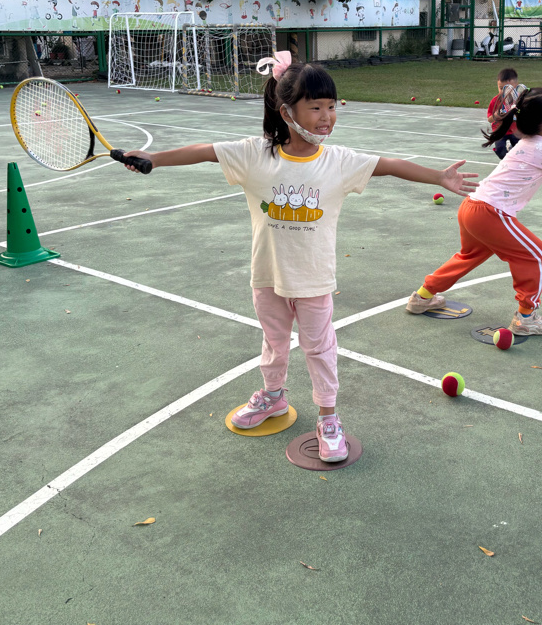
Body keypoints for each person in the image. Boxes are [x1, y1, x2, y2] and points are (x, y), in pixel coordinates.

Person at [118, 53, 477, 462]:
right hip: (267, 276)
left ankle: (328, 418)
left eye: (331, 106)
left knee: (319, 348)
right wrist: (153, 158)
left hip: (313, 279)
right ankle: (272, 396)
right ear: (286, 111)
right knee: (274, 342)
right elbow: (204, 151)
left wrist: (438, 176)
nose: (326, 117)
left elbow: (389, 165)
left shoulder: (338, 162)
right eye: (316, 107)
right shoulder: (255, 155)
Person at [407, 88, 542, 335]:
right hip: (490, 213)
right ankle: (526, 317)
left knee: (469, 256)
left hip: (471, 207)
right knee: (536, 255)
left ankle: (423, 296)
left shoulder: (527, 144)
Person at [485, 67, 520, 159]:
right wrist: (495, 116)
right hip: (500, 131)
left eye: (508, 89)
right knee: (501, 152)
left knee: (520, 152)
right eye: (501, 88)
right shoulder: (495, 101)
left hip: (515, 131)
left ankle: (512, 151)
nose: (504, 92)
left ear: (516, 86)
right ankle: (505, 157)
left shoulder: (519, 100)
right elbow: (489, 119)